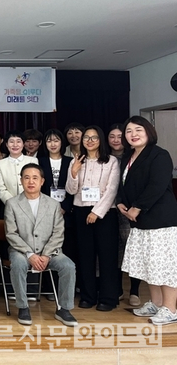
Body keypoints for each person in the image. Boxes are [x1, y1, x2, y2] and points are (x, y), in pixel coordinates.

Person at [118, 116, 177, 325]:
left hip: (160, 220)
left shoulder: (159, 155)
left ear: (148, 131)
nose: (133, 134)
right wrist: (120, 202)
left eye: (138, 130)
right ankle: (156, 303)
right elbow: (123, 184)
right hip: (139, 221)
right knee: (149, 264)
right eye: (129, 131)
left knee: (165, 264)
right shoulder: (128, 156)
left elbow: (157, 185)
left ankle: (170, 309)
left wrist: (137, 207)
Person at [4, 163, 78, 327]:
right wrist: (30, 254)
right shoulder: (12, 203)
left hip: (49, 252)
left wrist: (46, 255)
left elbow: (58, 233)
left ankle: (64, 309)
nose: (31, 181)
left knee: (68, 266)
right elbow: (11, 233)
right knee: (18, 265)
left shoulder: (53, 204)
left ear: (42, 181)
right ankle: (23, 306)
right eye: (27, 178)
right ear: (21, 181)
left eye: (35, 178)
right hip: (22, 251)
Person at [66, 125, 120, 311]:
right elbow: (71, 190)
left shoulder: (111, 161)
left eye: (94, 137)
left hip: (105, 213)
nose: (89, 141)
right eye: (86, 137)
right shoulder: (76, 160)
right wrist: (74, 172)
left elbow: (112, 189)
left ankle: (108, 298)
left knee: (107, 256)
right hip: (81, 211)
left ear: (100, 140)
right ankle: (88, 296)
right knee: (85, 255)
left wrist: (97, 212)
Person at [108, 122, 140, 306]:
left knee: (132, 248)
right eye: (112, 136)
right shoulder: (104, 157)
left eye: (119, 136)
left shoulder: (132, 157)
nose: (116, 140)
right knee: (115, 250)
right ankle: (118, 289)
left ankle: (134, 290)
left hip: (127, 211)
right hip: (109, 210)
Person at [38, 129, 75, 264]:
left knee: (69, 247)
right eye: (49, 141)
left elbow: (75, 185)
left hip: (67, 211)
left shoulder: (70, 161)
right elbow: (37, 187)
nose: (52, 144)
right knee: (47, 247)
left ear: (62, 142)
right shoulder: (39, 162)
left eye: (56, 140)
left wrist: (64, 207)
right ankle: (49, 278)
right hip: (45, 210)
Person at [0, 130, 38, 218]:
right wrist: (13, 204)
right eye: (11, 142)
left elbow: (36, 183)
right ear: (6, 144)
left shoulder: (33, 161)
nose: (15, 145)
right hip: (9, 207)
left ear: (23, 144)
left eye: (18, 141)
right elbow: (1, 189)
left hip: (31, 205)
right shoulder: (0, 164)